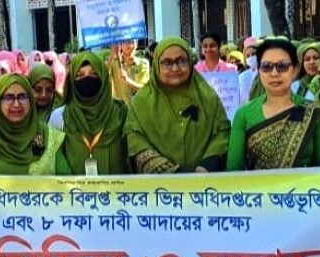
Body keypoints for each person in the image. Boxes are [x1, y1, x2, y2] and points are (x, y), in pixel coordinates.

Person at [227, 38, 320, 171]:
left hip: (306, 184)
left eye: (282, 66)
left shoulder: (313, 112)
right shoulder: (244, 114)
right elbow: (233, 170)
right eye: (266, 67)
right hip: (257, 185)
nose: (274, 73)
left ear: (295, 70)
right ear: (259, 71)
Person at [125, 37, 229, 173]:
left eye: (181, 61)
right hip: (157, 184)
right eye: (167, 63)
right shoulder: (141, 103)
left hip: (205, 181)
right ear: (156, 66)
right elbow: (135, 140)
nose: (175, 68)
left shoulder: (208, 98)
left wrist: (206, 165)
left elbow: (222, 133)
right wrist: (171, 172)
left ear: (190, 63)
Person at [0, 74, 69, 175]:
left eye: (22, 97)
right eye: (8, 98)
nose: (16, 104)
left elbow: (65, 180)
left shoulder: (44, 134)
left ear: (31, 100)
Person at [48, 51, 128, 175]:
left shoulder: (121, 114)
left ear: (103, 77)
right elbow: (51, 156)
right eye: (79, 75)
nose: (87, 79)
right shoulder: (59, 117)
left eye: (93, 74)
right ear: (72, 81)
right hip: (73, 187)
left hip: (118, 187)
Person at [107, 40, 150, 104]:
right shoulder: (114, 62)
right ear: (121, 45)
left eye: (131, 41)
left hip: (137, 106)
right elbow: (102, 74)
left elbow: (145, 90)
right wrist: (112, 55)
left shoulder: (143, 63)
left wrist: (128, 81)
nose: (127, 44)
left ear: (136, 43)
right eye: (124, 41)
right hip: (119, 107)